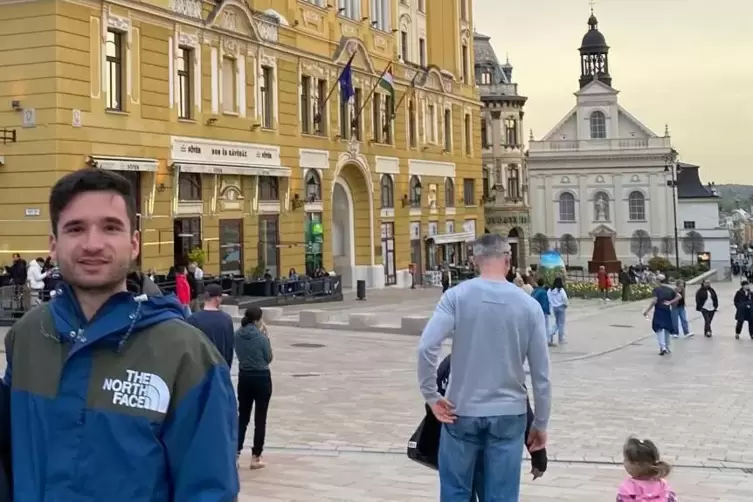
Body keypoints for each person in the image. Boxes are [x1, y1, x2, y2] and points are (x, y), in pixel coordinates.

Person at [3, 168, 239, 501]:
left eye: (110, 227)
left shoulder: (185, 355)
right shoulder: (28, 336)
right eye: (75, 228)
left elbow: (208, 490)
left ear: (134, 243)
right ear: (54, 246)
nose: (92, 244)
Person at [416, 233, 551, 502]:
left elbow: (427, 347)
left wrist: (431, 395)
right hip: (509, 413)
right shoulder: (529, 305)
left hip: (461, 410)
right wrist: (540, 423)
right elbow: (541, 375)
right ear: (508, 260)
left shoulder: (456, 296)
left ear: (475, 260)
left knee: (455, 491)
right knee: (501, 495)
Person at [436, 355, 547, 502]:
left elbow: (436, 400)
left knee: (458, 490)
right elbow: (520, 402)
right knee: (496, 491)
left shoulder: (453, 361)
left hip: (459, 434)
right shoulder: (504, 363)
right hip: (497, 435)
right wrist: (538, 452)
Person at [235, 306, 274, 470]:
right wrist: (266, 336)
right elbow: (269, 357)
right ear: (258, 320)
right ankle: (256, 456)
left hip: (244, 376)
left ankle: (235, 453)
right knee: (260, 418)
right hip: (261, 377)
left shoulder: (237, 334)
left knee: (242, 417)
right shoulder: (261, 337)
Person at [187, 284, 235, 368]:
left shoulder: (193, 319)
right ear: (217, 298)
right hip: (220, 365)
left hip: (200, 368)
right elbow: (229, 347)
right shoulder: (226, 319)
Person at [617, 437, 677, 502]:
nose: (624, 462)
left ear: (635, 464)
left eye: (626, 459)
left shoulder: (627, 488)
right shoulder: (663, 486)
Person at [642, 274, 681, 356]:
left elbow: (654, 301)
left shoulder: (657, 289)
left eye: (656, 279)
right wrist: (670, 302)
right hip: (667, 310)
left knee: (658, 328)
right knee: (667, 329)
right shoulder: (669, 289)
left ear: (658, 280)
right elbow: (679, 296)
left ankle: (662, 347)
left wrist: (647, 310)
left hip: (659, 310)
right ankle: (667, 347)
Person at [547, 277, 568, 346]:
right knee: (561, 324)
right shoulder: (561, 290)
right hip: (561, 307)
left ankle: (551, 334)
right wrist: (566, 304)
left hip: (554, 308)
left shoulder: (550, 290)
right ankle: (560, 339)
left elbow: (548, 298)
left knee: (556, 323)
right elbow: (564, 298)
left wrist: (552, 304)